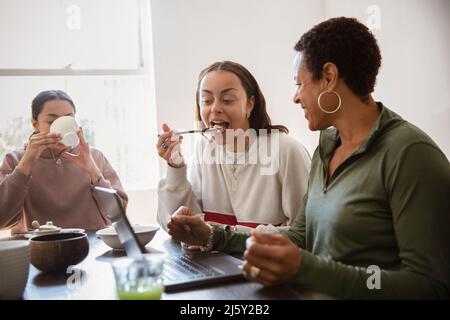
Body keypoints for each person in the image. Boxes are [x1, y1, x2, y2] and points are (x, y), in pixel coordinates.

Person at [166, 17, 450, 299]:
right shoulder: (327, 148)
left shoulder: (410, 155)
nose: (295, 97)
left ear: (328, 77)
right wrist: (212, 236)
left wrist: (307, 269)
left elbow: (429, 286)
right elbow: (300, 237)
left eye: (299, 84)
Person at [157, 61, 311, 233]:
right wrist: (175, 167)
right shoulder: (204, 149)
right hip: (213, 260)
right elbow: (180, 225)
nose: (215, 108)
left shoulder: (286, 151)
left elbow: (304, 233)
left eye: (228, 100)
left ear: (249, 104)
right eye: (206, 101)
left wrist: (222, 235)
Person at [0, 90, 128, 233]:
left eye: (68, 119)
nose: (61, 128)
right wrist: (26, 163)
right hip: (39, 249)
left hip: (92, 246)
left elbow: (119, 216)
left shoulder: (94, 156)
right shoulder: (15, 159)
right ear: (35, 124)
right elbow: (2, 220)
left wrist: (92, 170)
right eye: (51, 121)